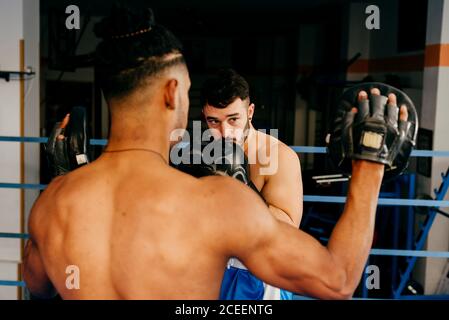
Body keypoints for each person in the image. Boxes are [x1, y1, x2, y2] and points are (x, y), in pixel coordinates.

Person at [22, 6, 408, 299]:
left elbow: (38, 288)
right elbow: (337, 279)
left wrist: (62, 178)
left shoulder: (54, 202)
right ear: (172, 92)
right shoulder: (215, 203)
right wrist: (369, 166)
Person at [201, 69, 302, 300]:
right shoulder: (201, 155)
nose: (224, 132)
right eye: (213, 121)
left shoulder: (278, 156)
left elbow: (287, 227)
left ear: (250, 112)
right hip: (212, 269)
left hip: (260, 275)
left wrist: (241, 188)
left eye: (233, 119)